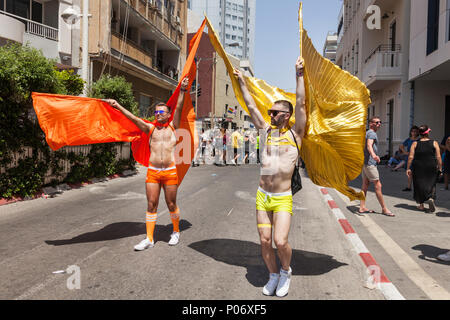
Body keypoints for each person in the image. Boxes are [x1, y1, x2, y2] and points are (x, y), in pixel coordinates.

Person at [233, 56, 306, 297]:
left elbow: (302, 102)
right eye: (270, 111)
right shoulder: (266, 131)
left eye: (274, 111)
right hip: (262, 196)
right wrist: (242, 80)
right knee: (265, 241)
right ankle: (273, 274)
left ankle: (286, 271)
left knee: (280, 241)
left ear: (286, 114)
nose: (270, 114)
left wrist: (299, 74)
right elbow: (251, 106)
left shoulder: (296, 134)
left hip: (283, 197)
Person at [104, 77, 189, 250]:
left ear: (168, 114)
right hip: (153, 171)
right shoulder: (150, 129)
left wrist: (182, 90)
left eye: (161, 112)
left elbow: (179, 107)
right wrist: (117, 105)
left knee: (171, 204)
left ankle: (175, 231)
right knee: (151, 204)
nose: (158, 115)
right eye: (156, 112)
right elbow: (133, 118)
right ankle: (149, 239)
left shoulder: (173, 126)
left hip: (170, 171)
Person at [358, 117, 394, 216]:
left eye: (380, 122)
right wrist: (374, 155)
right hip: (370, 163)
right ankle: (384, 209)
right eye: (377, 122)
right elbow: (369, 145)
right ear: (371, 124)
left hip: (365, 163)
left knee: (365, 185)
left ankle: (362, 207)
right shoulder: (371, 133)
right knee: (378, 185)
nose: (379, 124)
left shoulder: (367, 133)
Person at [406, 125, 442, 213]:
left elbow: (410, 157)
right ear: (428, 132)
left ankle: (421, 205)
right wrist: (440, 168)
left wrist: (408, 168)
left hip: (418, 166)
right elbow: (438, 156)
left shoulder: (415, 143)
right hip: (431, 165)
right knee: (431, 183)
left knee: (418, 184)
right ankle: (431, 198)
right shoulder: (434, 142)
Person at [397, 126, 419, 191]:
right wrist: (405, 152)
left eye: (415, 131)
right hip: (409, 157)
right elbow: (401, 146)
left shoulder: (419, 140)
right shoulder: (409, 139)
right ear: (411, 132)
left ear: (417, 132)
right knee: (409, 172)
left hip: (417, 157)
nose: (414, 133)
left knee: (417, 173)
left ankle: (418, 187)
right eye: (412, 131)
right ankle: (409, 187)